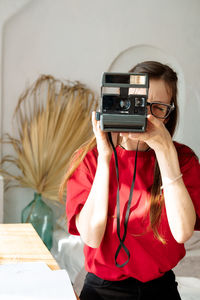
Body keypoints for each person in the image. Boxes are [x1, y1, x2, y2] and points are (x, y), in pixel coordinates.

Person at [60, 61, 200, 300]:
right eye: (139, 105)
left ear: (168, 114)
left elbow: (182, 233)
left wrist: (165, 153)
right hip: (102, 288)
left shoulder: (183, 159)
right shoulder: (90, 158)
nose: (147, 115)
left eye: (157, 108)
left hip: (160, 288)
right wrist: (106, 157)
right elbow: (91, 237)